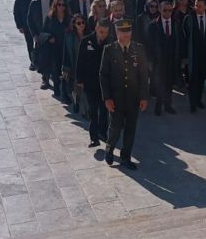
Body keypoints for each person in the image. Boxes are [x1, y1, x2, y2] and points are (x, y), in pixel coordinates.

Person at [100, 19, 149, 170]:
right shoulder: (109, 49)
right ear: (117, 32)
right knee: (115, 127)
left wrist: (144, 97)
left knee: (130, 129)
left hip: (133, 98)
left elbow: (143, 75)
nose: (126, 34)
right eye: (122, 31)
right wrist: (107, 98)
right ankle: (109, 149)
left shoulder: (138, 49)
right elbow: (103, 75)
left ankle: (125, 157)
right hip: (116, 98)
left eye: (128, 31)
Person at [77, 18, 111, 146]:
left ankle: (103, 132)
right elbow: (80, 61)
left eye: (106, 32)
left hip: (105, 83)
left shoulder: (110, 43)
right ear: (96, 28)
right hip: (90, 81)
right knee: (93, 110)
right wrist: (79, 79)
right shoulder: (86, 41)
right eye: (101, 31)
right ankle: (94, 137)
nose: (103, 35)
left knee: (104, 110)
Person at [147, 2, 182, 116]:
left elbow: (179, 42)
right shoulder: (153, 25)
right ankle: (158, 105)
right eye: (165, 10)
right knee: (160, 83)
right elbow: (150, 45)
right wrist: (150, 61)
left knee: (169, 83)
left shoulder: (176, 24)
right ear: (160, 11)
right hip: (159, 60)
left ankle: (168, 105)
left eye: (170, 10)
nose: (167, 13)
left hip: (172, 59)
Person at [184, 0, 206, 113]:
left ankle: (198, 100)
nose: (197, 8)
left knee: (202, 79)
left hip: (205, 54)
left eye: (200, 6)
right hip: (193, 54)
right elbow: (185, 37)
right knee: (193, 80)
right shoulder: (189, 18)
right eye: (196, 5)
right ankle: (192, 103)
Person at [40, 0, 70, 98]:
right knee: (55, 69)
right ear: (55, 5)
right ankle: (56, 89)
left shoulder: (68, 18)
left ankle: (65, 91)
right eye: (59, 5)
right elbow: (43, 32)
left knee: (65, 69)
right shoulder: (50, 18)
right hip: (53, 48)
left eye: (63, 5)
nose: (61, 7)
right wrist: (50, 38)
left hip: (65, 47)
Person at [62, 14, 86, 109]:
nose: (81, 25)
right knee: (76, 87)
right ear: (74, 25)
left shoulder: (90, 34)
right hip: (74, 65)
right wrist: (65, 68)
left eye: (83, 22)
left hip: (86, 65)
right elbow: (66, 53)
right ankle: (76, 101)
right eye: (78, 23)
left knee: (85, 88)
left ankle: (85, 109)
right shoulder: (70, 37)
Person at [14, 0, 38, 70]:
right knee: (30, 44)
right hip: (26, 26)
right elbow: (16, 13)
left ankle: (38, 60)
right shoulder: (19, 0)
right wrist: (19, 26)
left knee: (38, 44)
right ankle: (32, 62)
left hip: (37, 26)